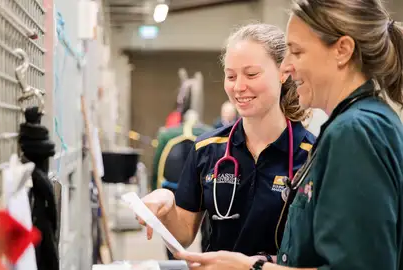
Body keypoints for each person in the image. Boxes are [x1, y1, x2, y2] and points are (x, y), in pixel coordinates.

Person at [175, 0, 403, 269]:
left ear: (342, 50)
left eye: (296, 52)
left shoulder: (354, 133)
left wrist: (251, 268)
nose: (287, 67)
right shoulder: (360, 124)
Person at [139, 23, 316, 260]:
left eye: (251, 74)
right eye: (231, 76)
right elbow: (183, 235)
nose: (239, 87)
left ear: (284, 72)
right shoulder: (207, 149)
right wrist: (167, 203)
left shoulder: (314, 155)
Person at [151, 109, 213, 259]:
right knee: (207, 231)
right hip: (202, 189)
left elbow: (156, 166)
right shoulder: (209, 134)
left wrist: (154, 188)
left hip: (170, 187)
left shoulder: (167, 135)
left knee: (171, 233)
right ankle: (208, 259)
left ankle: (173, 261)